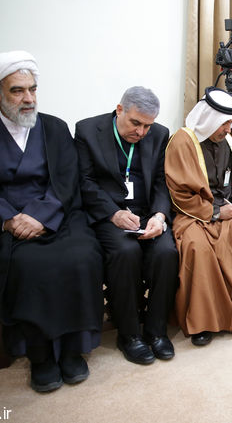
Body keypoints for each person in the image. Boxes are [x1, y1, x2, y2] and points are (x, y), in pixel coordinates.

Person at [0, 51, 103, 392]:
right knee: (29, 265)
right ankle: (40, 354)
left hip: (59, 215)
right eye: (18, 91)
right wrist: (7, 219)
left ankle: (72, 348)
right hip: (11, 221)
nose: (29, 98)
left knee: (81, 257)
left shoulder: (54, 127)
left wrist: (42, 215)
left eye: (33, 89)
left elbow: (66, 180)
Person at [75, 87, 179, 365]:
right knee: (125, 252)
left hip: (146, 212)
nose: (142, 132)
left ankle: (156, 331)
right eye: (136, 123)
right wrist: (113, 213)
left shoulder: (159, 134)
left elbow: (161, 181)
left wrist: (159, 215)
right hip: (109, 214)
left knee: (166, 252)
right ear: (119, 110)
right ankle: (129, 334)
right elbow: (85, 182)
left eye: (148, 125)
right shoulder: (87, 130)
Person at [164, 87, 232, 346]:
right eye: (224, 123)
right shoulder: (182, 141)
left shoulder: (227, 143)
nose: (228, 129)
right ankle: (204, 323)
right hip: (192, 214)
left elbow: (229, 184)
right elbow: (179, 194)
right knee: (197, 247)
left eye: (231, 123)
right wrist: (215, 212)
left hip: (224, 208)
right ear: (209, 119)